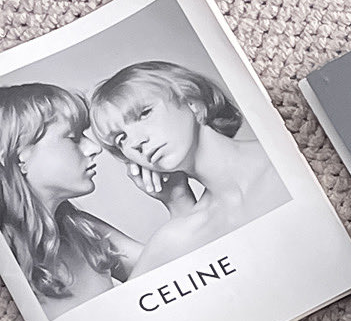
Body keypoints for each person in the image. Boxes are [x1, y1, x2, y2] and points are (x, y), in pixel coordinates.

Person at [88, 60, 287, 277]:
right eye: (121, 138)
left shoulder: (288, 152)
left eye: (144, 113)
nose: (135, 142)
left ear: (193, 102)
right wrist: (178, 200)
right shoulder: (174, 237)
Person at [0, 81, 185, 311]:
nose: (94, 148)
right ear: (19, 155)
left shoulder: (81, 230)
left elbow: (178, 273)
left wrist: (176, 198)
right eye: (73, 137)